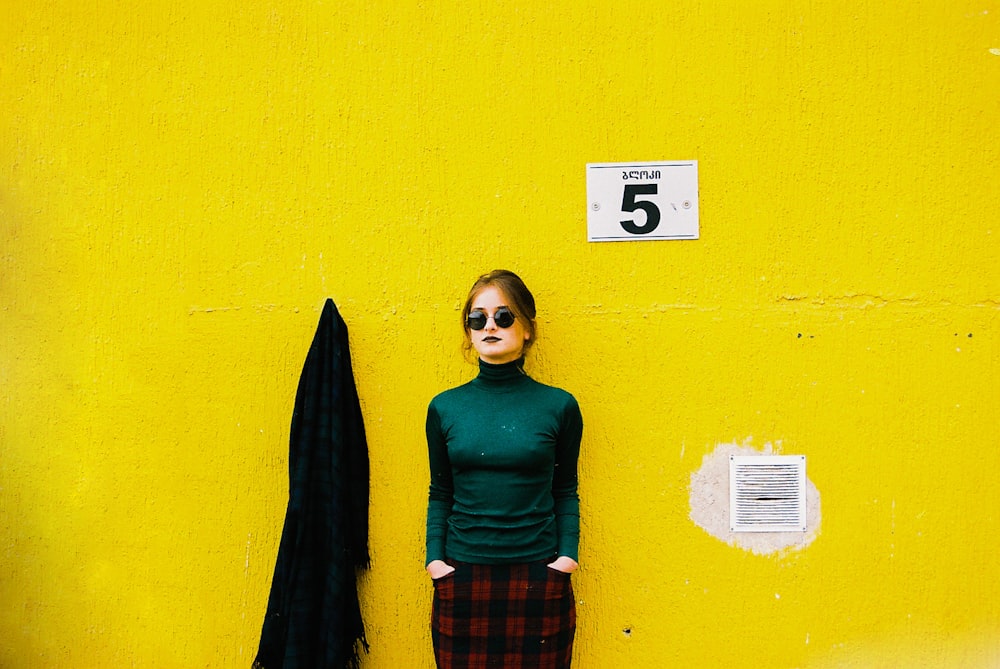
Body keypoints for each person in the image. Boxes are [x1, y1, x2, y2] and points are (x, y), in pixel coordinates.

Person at [425, 269, 584, 669]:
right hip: (461, 575)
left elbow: (565, 489)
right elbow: (440, 492)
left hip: (539, 574)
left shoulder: (558, 406)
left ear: (528, 328)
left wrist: (566, 558)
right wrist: (436, 561)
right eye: (477, 318)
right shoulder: (444, 407)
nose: (489, 326)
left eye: (504, 315)